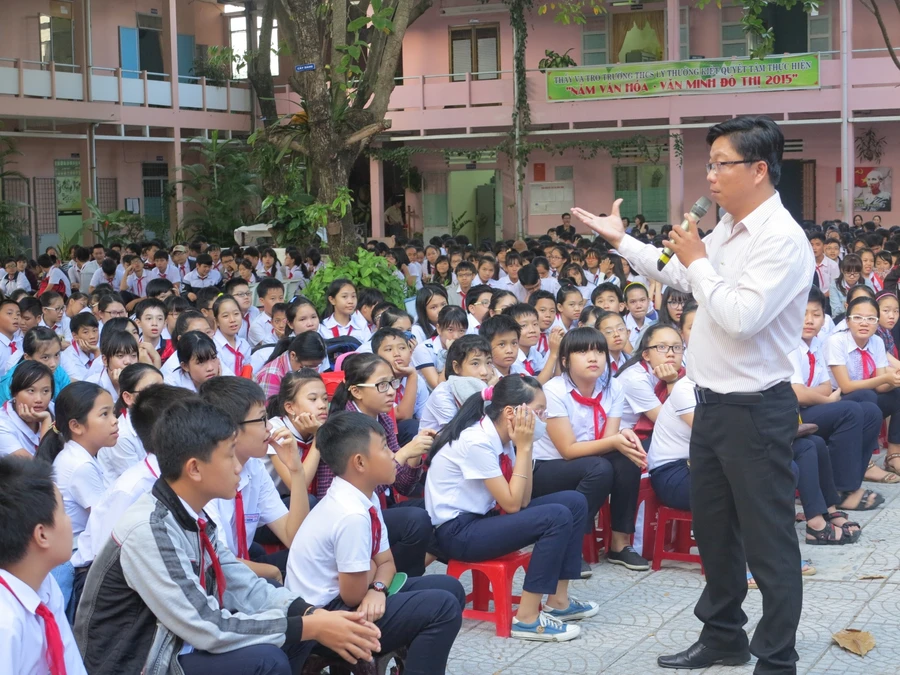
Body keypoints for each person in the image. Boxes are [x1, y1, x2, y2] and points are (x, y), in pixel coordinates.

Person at [573, 115, 813, 673]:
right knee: (715, 530)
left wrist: (699, 259)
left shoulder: (781, 239)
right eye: (709, 165)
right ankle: (723, 635)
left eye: (721, 164)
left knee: (768, 542)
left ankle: (777, 658)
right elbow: (681, 276)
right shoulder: (729, 227)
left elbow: (740, 316)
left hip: (756, 410)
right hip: (711, 405)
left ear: (759, 169)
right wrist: (621, 240)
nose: (709, 178)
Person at [74, 399, 384, 675]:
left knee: (294, 633)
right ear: (194, 468)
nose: (239, 467)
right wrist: (310, 625)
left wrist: (313, 615)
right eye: (229, 456)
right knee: (268, 658)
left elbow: (241, 583)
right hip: (142, 660)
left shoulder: (192, 515)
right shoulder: (149, 529)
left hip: (179, 642)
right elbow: (205, 625)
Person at [285, 411, 465, 673]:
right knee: (443, 607)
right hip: (327, 618)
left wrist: (377, 587)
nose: (394, 455)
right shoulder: (351, 514)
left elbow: (387, 562)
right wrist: (373, 583)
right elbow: (353, 594)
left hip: (353, 598)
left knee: (449, 587)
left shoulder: (362, 495)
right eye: (384, 448)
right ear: (359, 463)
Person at [425, 375, 597, 641]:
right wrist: (525, 446)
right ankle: (527, 618)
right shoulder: (477, 441)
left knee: (573, 503)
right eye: (538, 411)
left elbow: (523, 500)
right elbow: (512, 503)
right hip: (458, 533)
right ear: (510, 412)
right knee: (556, 516)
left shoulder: (506, 439)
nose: (543, 418)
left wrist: (523, 447)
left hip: (484, 520)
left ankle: (559, 602)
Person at [532, 327, 648, 574]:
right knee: (600, 467)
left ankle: (619, 544)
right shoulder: (554, 390)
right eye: (583, 352)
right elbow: (567, 450)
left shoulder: (613, 387)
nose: (593, 358)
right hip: (546, 467)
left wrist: (621, 439)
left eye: (598, 351)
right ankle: (570, 546)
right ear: (565, 361)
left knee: (628, 458)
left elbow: (608, 440)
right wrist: (615, 440)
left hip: (589, 461)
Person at [201, 377, 309, 581]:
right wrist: (272, 573)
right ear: (231, 429)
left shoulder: (254, 467)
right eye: (261, 420)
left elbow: (293, 536)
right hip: (219, 581)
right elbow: (221, 564)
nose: (269, 428)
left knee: (317, 557)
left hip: (242, 568)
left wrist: (296, 471)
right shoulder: (207, 481)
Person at [0, 456, 88, 675]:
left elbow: (70, 662)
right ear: (42, 534)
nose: (70, 522)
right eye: (65, 512)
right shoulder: (6, 624)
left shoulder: (44, 584)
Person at [0, 361, 54, 458]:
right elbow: (39, 468)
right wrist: (46, 421)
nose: (39, 399)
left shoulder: (53, 408)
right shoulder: (2, 425)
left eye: (46, 391)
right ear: (14, 393)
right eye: (31, 391)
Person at [249, 278, 286, 347]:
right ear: (262, 301)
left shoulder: (289, 318)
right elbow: (271, 348)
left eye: (281, 298)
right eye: (273, 298)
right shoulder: (257, 325)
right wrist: (284, 338)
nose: (278, 302)